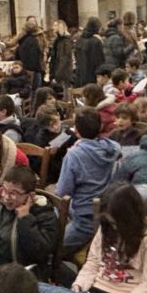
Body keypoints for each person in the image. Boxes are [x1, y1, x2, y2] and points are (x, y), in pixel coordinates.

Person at [0, 165, 58, 282]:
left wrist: (25, 219)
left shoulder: (45, 215)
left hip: (27, 279)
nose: (6, 197)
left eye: (13, 193)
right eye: (4, 190)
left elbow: (40, 253)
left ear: (30, 196)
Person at [56, 109, 122, 256]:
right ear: (100, 127)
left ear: (76, 131)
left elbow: (63, 192)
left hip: (84, 218)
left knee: (53, 251)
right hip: (109, 211)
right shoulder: (114, 148)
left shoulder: (74, 155)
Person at [74, 17, 106, 87]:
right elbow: (100, 61)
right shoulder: (96, 42)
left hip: (80, 75)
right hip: (92, 76)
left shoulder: (79, 40)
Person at [16, 20, 45, 92]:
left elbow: (17, 56)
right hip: (34, 71)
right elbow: (33, 57)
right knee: (35, 91)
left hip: (24, 69)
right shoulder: (33, 41)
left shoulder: (21, 41)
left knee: (28, 91)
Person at [48, 19, 74, 93]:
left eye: (55, 25)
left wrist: (58, 74)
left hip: (63, 72)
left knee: (65, 92)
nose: (53, 27)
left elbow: (64, 58)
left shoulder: (66, 41)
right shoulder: (57, 41)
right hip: (57, 70)